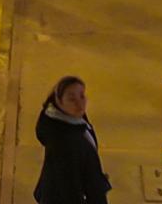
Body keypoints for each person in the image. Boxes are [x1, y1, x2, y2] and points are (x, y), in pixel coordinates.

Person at [33, 76, 112, 204]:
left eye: (82, 96)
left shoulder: (73, 119)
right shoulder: (63, 143)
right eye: (72, 99)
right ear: (59, 101)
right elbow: (69, 187)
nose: (80, 104)